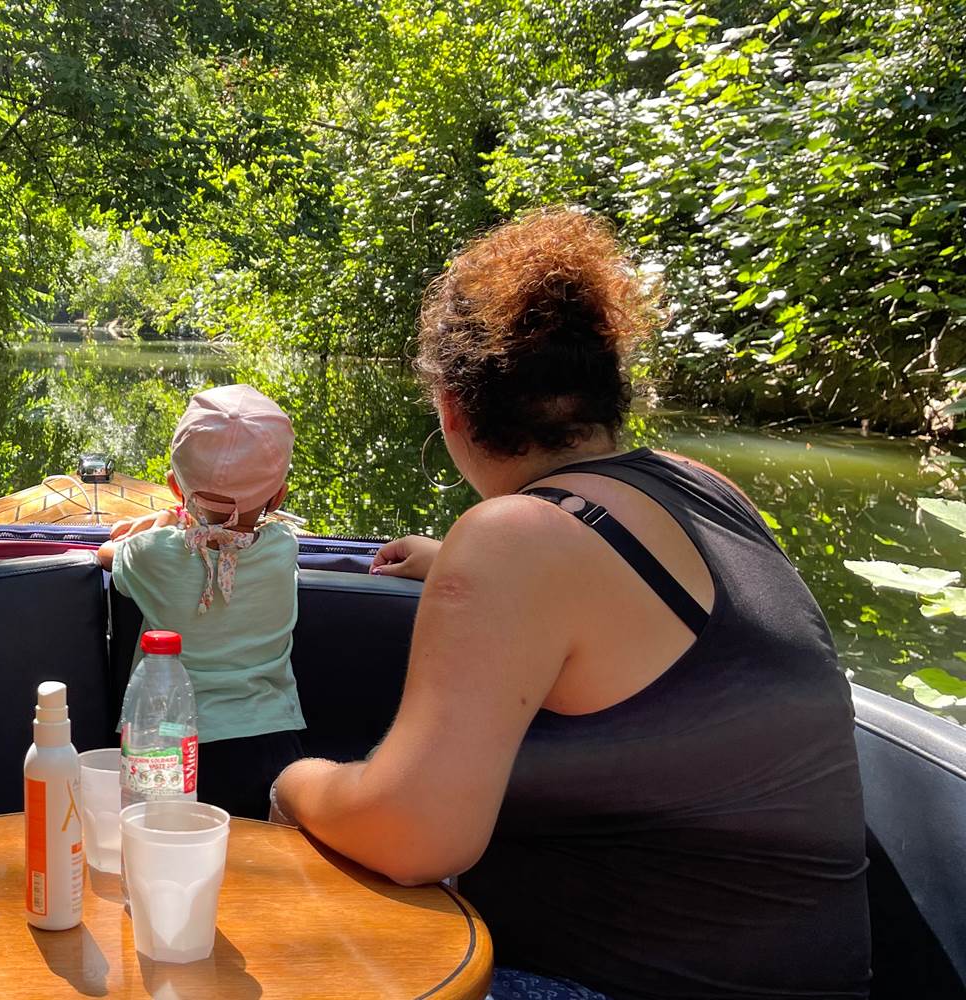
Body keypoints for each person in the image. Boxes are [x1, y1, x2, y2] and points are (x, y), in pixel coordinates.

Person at [269, 208, 869, 1000]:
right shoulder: (707, 490)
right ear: (608, 395)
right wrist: (453, 568)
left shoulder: (518, 539)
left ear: (452, 408)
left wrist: (292, 783)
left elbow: (412, 838)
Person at [98, 384, 305, 819]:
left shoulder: (154, 555)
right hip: (269, 740)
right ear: (279, 497)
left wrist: (162, 523)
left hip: (171, 743)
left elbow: (106, 555)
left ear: (175, 486)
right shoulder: (283, 547)